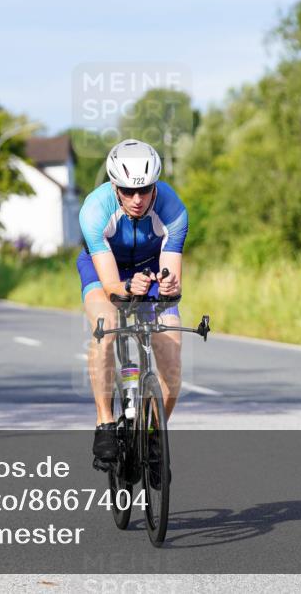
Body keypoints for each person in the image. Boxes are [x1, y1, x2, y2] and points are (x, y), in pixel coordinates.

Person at [77, 139, 188, 470]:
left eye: (145, 190)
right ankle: (105, 423)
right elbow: (112, 285)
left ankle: (154, 434)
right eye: (127, 191)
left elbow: (172, 280)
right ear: (114, 185)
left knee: (172, 354)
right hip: (104, 270)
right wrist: (125, 286)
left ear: (155, 184)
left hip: (150, 267)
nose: (137, 200)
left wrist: (168, 284)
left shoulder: (173, 209)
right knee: (106, 329)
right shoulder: (94, 211)